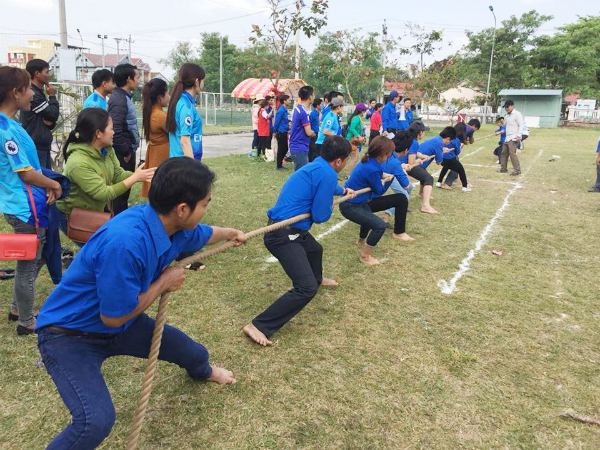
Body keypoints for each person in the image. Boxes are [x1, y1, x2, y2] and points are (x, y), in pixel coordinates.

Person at [36, 158, 245, 449]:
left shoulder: (173, 225)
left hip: (122, 325)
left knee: (194, 352)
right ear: (182, 209)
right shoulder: (126, 242)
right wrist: (163, 283)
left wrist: (232, 233)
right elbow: (113, 318)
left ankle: (203, 372)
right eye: (206, 203)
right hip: (69, 336)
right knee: (95, 421)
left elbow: (205, 233)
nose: (207, 208)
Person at [242, 136, 355, 346]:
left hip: (292, 230)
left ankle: (318, 279)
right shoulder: (328, 174)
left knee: (315, 250)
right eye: (347, 159)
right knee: (306, 288)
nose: (347, 163)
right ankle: (259, 325)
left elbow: (327, 185)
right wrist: (329, 204)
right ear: (339, 161)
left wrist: (343, 191)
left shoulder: (318, 166)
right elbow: (320, 216)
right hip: (282, 235)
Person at [0, 66, 63, 335]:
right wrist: (53, 184)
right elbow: (25, 173)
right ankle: (27, 321)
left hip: (28, 203)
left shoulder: (12, 123)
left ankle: (18, 308)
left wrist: (47, 184)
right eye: (28, 90)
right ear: (16, 92)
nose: (31, 95)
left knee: (34, 258)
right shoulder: (5, 130)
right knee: (27, 265)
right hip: (24, 209)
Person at [57, 108, 156, 237]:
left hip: (93, 211)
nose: (114, 132)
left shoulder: (106, 150)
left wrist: (141, 175)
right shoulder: (78, 163)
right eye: (111, 128)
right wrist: (134, 178)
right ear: (98, 133)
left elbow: (117, 174)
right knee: (96, 250)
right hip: (73, 216)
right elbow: (103, 193)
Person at [339, 136, 414, 266]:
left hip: (362, 202)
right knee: (379, 225)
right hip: (350, 205)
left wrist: (385, 176)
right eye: (390, 154)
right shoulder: (371, 167)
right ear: (383, 155)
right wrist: (389, 180)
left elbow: (377, 177)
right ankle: (365, 256)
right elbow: (379, 191)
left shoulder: (371, 161)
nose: (391, 156)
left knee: (400, 198)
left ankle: (363, 240)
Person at [108, 63, 140, 215]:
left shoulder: (124, 97)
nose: (139, 81)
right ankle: (118, 222)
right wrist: (126, 152)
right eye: (137, 77)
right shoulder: (119, 99)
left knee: (124, 192)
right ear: (129, 79)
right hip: (123, 153)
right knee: (121, 192)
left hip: (127, 150)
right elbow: (116, 128)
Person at [20, 59, 59, 170]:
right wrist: (52, 96)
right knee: (40, 181)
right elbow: (52, 115)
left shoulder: (39, 92)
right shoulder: (33, 94)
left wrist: (50, 123)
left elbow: (50, 120)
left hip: (42, 144)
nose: (48, 75)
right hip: (36, 145)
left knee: (46, 178)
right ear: (37, 74)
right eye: (46, 72)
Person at [167, 63, 205, 161]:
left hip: (178, 161)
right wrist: (192, 168)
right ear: (197, 81)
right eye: (203, 79)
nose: (203, 83)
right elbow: (185, 141)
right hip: (184, 163)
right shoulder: (185, 105)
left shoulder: (180, 101)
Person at [401, 120, 438, 214]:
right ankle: (425, 206)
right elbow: (411, 162)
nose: (424, 133)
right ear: (420, 132)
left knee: (423, 176)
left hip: (401, 164)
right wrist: (417, 160)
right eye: (424, 131)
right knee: (428, 178)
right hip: (404, 167)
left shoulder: (406, 138)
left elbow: (413, 151)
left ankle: (421, 194)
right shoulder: (414, 142)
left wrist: (421, 156)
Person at [140, 78, 170, 197]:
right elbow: (176, 131)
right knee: (162, 187)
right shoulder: (160, 116)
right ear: (160, 97)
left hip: (154, 153)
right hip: (162, 154)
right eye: (167, 93)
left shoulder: (150, 111)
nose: (169, 96)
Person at [379, 131, 413, 224]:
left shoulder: (387, 152)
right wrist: (402, 170)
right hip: (369, 194)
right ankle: (385, 218)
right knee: (404, 195)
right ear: (406, 150)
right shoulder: (394, 162)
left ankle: (401, 207)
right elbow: (406, 185)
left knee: (411, 188)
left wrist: (401, 166)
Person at [443, 118, 480, 187]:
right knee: (456, 165)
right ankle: (447, 183)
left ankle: (454, 178)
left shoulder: (461, 126)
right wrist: (469, 140)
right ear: (474, 126)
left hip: (448, 144)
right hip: (452, 148)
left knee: (455, 162)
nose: (475, 130)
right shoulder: (470, 129)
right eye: (476, 129)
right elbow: (471, 141)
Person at [436, 123, 471, 192]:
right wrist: (460, 146)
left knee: (445, 167)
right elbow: (457, 152)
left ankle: (439, 182)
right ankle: (465, 186)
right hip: (450, 159)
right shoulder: (456, 140)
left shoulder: (447, 137)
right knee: (461, 170)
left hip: (442, 158)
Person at [289, 86, 316, 171]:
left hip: (296, 146)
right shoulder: (304, 112)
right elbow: (308, 132)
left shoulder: (297, 109)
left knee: (299, 174)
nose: (314, 97)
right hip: (299, 147)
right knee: (302, 175)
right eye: (313, 94)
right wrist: (315, 133)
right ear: (310, 97)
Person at [499, 100, 523, 175]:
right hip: (507, 137)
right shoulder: (506, 116)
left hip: (514, 137)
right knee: (503, 153)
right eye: (505, 107)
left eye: (508, 107)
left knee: (512, 153)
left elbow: (521, 125)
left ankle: (517, 170)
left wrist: (519, 135)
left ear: (512, 106)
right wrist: (502, 123)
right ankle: (503, 169)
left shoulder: (517, 114)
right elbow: (505, 125)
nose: (507, 108)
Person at [344, 102, 367, 176]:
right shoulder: (356, 118)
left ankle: (348, 172)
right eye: (364, 111)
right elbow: (351, 128)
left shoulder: (356, 117)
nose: (364, 112)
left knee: (350, 157)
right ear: (361, 111)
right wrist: (359, 136)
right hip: (351, 141)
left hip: (352, 141)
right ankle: (348, 174)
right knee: (354, 157)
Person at [274, 94, 291, 170]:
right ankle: (279, 166)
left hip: (284, 131)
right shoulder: (281, 110)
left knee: (285, 149)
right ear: (284, 101)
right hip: (281, 132)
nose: (290, 101)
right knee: (281, 149)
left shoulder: (284, 110)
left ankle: (280, 163)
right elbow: (277, 121)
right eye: (288, 100)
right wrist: (274, 131)